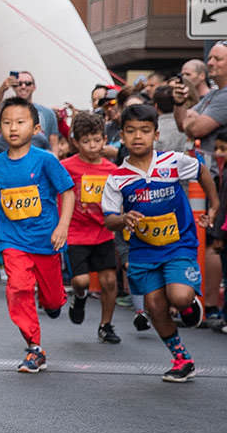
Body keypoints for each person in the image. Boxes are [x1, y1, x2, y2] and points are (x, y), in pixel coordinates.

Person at [103, 103, 215, 382]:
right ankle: (181, 359)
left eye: (144, 131)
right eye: (130, 131)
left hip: (178, 244)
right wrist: (123, 218)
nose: (137, 137)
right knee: (154, 306)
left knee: (179, 297)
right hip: (143, 250)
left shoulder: (172, 161)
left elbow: (202, 172)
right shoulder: (117, 178)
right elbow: (109, 219)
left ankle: (189, 305)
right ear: (122, 136)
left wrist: (214, 206)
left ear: (155, 134)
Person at [0, 97, 75, 373]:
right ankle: (34, 347)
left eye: (20, 122)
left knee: (53, 300)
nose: (13, 128)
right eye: (6, 123)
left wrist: (62, 226)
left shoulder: (46, 160)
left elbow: (67, 192)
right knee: (17, 289)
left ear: (35, 128)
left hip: (46, 239)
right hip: (12, 240)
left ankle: (53, 301)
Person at [61, 112, 124, 344]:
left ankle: (106, 325)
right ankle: (79, 297)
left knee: (109, 281)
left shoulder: (111, 169)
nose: (92, 146)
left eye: (97, 140)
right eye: (85, 141)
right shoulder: (66, 166)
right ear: (75, 142)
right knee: (81, 281)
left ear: (104, 139)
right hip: (76, 232)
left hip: (103, 231)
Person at [0, 70, 61, 149]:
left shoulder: (48, 113)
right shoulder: (7, 111)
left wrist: (53, 160)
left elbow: (54, 145)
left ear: (34, 87)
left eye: (28, 83)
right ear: (14, 87)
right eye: (19, 84)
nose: (23, 86)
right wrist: (2, 89)